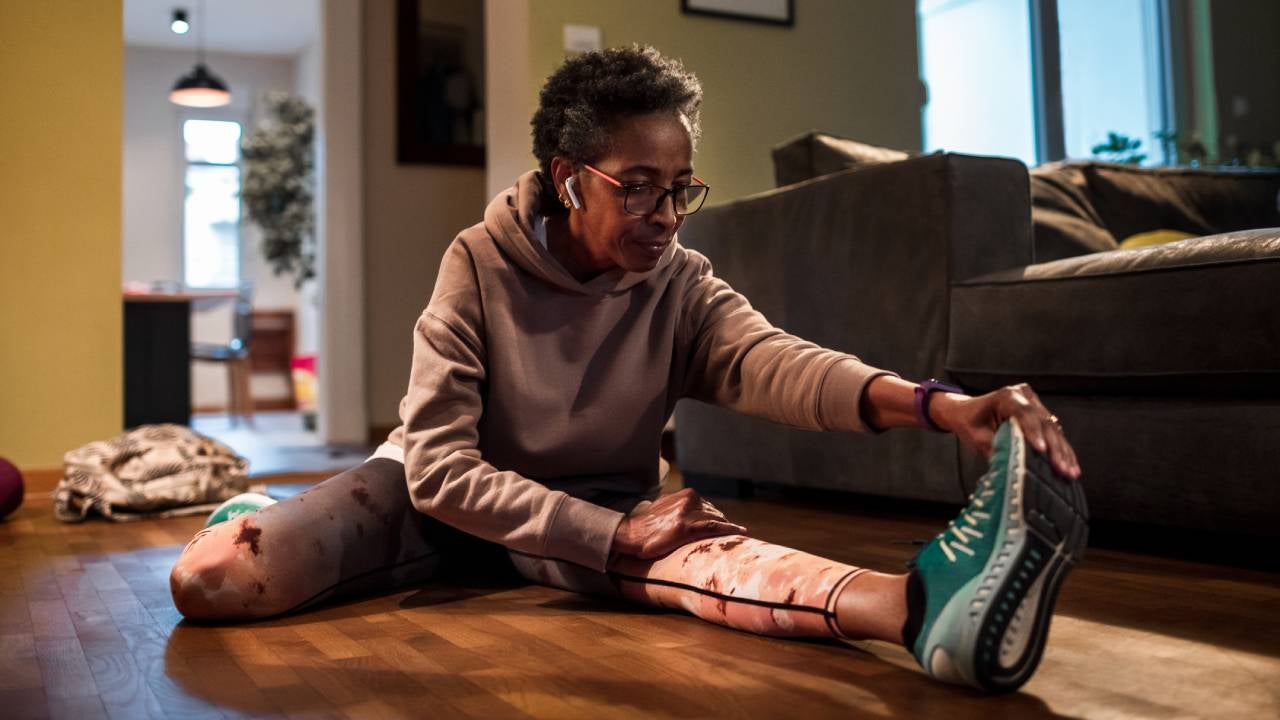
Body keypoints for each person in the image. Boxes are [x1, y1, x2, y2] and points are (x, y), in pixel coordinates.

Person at [170, 46, 1087, 694]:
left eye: (680, 186)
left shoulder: (680, 283)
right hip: (432, 501)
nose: (665, 213)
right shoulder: (476, 264)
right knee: (210, 582)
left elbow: (778, 364)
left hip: (594, 507)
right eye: (637, 185)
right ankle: (257, 515)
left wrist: (939, 406)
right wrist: (610, 540)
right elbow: (444, 471)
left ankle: (926, 611)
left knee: (723, 559)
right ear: (569, 179)